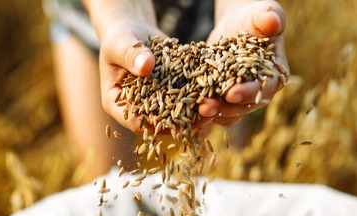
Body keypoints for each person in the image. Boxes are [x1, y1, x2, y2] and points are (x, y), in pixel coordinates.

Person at [44, 0, 288, 181]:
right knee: (106, 187)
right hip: (99, 15)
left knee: (224, 185)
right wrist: (120, 13)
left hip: (211, 20)